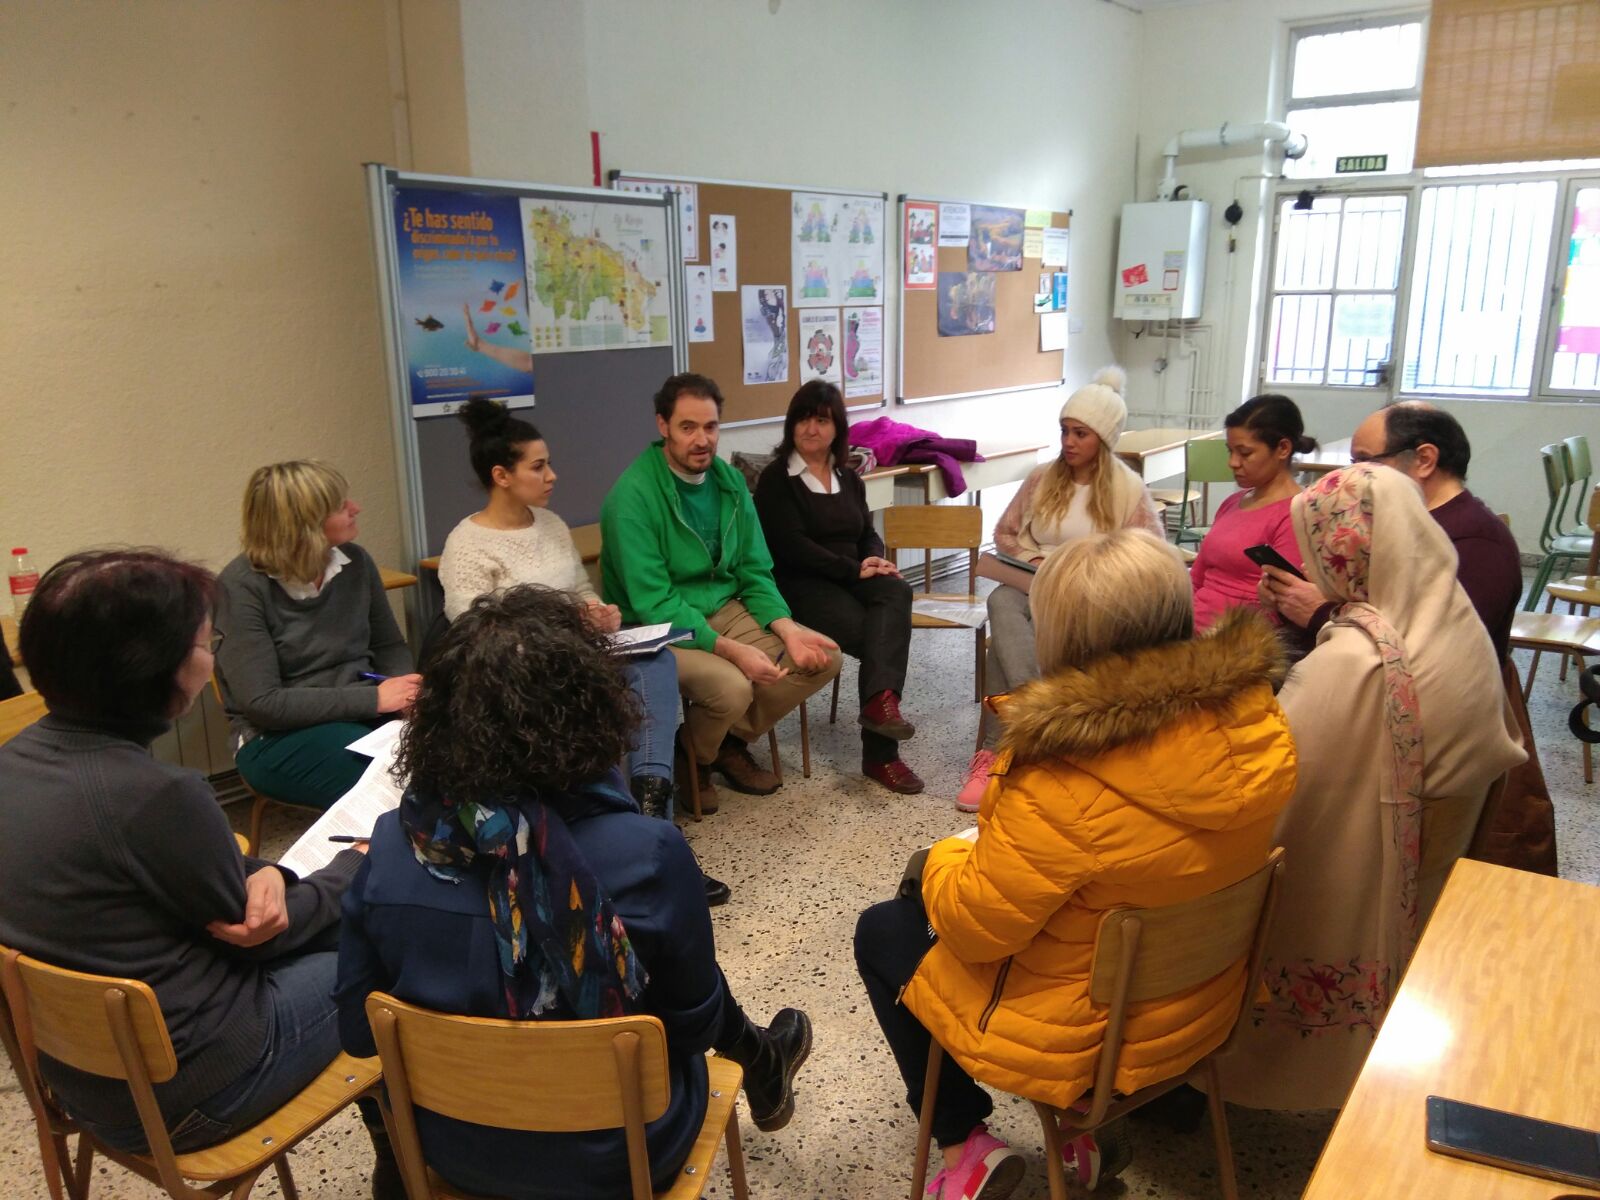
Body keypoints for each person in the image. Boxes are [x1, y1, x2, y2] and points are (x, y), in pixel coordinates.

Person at [854, 531, 1295, 1199]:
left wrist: (945, 856)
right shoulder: (1258, 727)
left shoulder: (1062, 774)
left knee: (887, 927)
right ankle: (1081, 1134)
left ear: (1061, 636)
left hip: (1089, 1040)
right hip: (1201, 1013)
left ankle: (964, 1145)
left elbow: (977, 931)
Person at [334, 586, 813, 1200]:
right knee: (671, 968)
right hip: (622, 1159)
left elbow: (357, 1033)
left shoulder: (391, 847)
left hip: (456, 1152)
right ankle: (762, 1059)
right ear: (592, 712)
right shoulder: (647, 852)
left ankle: (764, 1058)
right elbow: (692, 1033)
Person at [0, 550, 397, 1192]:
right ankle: (413, 1168)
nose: (212, 657)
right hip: (193, 1093)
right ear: (158, 671)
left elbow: (208, 886)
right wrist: (356, 861)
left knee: (337, 912)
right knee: (383, 943)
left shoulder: (14, 763)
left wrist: (276, 877)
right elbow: (259, 937)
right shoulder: (157, 794)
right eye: (205, 644)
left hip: (79, 1082)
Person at [1220, 466, 1524, 1111]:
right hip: (1434, 871)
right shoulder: (1452, 620)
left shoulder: (1357, 663)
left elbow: (1275, 786)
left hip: (1361, 882)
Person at [432, 397, 732, 900]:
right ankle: (644, 841)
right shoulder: (467, 543)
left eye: (548, 463)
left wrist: (598, 613)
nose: (552, 476)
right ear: (501, 475)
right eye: (538, 466)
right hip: (521, 677)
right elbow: (475, 635)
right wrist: (559, 638)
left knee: (654, 661)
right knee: (600, 697)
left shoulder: (550, 525)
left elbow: (579, 591)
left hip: (577, 656)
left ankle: (653, 818)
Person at [600, 372, 842, 812]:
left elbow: (755, 570)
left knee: (822, 657)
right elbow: (654, 602)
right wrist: (730, 650)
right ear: (662, 426)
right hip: (656, 628)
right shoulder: (631, 497)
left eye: (710, 427)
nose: (702, 440)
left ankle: (708, 747)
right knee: (732, 688)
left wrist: (787, 629)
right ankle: (697, 756)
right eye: (687, 427)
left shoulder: (729, 482)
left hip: (723, 607)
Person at [959, 365, 1162, 811]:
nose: (1068, 442)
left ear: (1103, 439)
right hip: (1034, 583)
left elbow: (1149, 557)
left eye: (1080, 434)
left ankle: (998, 751)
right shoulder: (1041, 478)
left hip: (1091, 596)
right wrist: (1035, 560)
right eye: (1065, 431)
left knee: (999, 652)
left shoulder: (1129, 490)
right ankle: (1034, 706)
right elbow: (1006, 533)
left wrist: (1088, 570)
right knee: (1001, 597)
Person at [215, 461, 420, 811]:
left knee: (469, 748)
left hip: (364, 711)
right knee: (397, 781)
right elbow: (264, 704)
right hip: (277, 736)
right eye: (341, 506)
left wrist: (405, 692)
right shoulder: (241, 587)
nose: (356, 508)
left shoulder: (356, 561)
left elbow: (388, 645)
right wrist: (375, 699)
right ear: (303, 524)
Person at [753, 381, 922, 794]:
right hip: (802, 584)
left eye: (822, 420)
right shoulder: (777, 479)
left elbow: (867, 532)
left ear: (837, 428)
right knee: (877, 636)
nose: (811, 429)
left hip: (850, 576)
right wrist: (853, 569)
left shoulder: (848, 476)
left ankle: (880, 707)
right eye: (803, 419)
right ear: (791, 425)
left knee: (897, 590)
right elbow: (790, 546)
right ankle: (881, 754)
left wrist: (874, 559)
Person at [1261, 402, 1522, 662]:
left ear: (1424, 460)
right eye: (1352, 463)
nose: (1352, 474)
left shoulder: (1479, 543)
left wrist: (1322, 612)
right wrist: (1295, 598)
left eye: (1365, 461)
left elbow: (1438, 654)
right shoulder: (1392, 521)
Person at [1188, 394, 1314, 631]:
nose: (1233, 462)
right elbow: (1197, 577)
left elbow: (1282, 608)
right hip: (1194, 630)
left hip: (1239, 641)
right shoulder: (1232, 503)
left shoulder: (1296, 513)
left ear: (1283, 449)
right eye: (1230, 451)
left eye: (1245, 453)